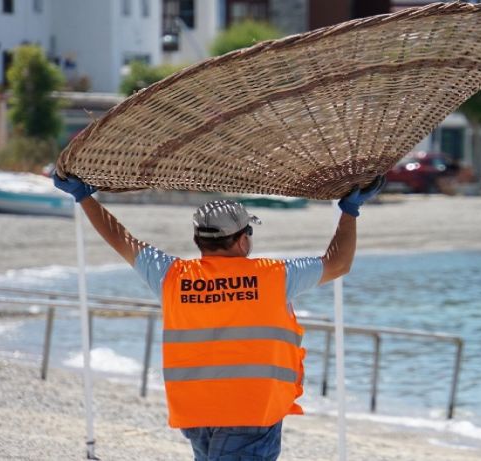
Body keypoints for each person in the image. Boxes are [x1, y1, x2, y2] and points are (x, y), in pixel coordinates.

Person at [54, 173, 385, 461]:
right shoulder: (274, 275)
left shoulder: (172, 275)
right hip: (251, 410)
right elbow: (338, 263)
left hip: (196, 411)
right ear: (242, 241)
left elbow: (121, 239)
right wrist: (349, 211)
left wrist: (85, 198)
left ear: (199, 239)